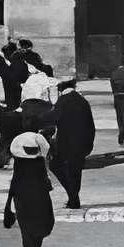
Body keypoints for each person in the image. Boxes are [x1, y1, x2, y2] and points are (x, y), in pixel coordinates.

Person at [4, 131, 58, 247]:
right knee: (32, 231)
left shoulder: (25, 162)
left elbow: (15, 182)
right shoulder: (32, 162)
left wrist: (9, 202)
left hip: (25, 198)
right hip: (33, 198)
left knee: (32, 232)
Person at [51, 77, 97, 208]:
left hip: (67, 141)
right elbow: (91, 124)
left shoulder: (62, 101)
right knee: (76, 171)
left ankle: (73, 196)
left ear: (61, 88)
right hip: (83, 141)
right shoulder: (82, 101)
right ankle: (73, 199)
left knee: (56, 165)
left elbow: (54, 119)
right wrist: (90, 142)